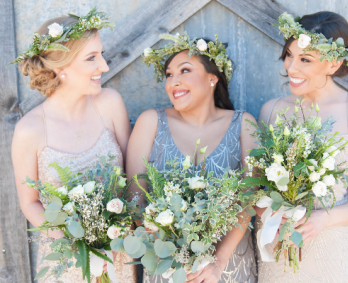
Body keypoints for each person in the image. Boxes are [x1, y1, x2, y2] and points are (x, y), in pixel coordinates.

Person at [255, 11, 348, 282]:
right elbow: (255, 187)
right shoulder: (271, 110)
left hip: (329, 244)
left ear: (334, 63)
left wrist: (324, 219)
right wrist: (272, 213)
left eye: (305, 59)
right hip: (278, 243)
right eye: (289, 55)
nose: (291, 67)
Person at [11, 9, 135, 282]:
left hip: (118, 253)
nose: (104, 66)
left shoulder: (110, 103)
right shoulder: (29, 131)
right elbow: (30, 203)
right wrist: (77, 246)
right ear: (60, 67)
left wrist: (121, 234)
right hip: (67, 261)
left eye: (100, 54)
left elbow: (133, 176)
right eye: (92, 58)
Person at [126, 33, 258, 283]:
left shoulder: (243, 124)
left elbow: (249, 202)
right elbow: (135, 200)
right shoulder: (151, 122)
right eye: (168, 75)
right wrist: (176, 257)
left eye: (184, 70)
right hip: (169, 267)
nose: (173, 81)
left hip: (229, 266)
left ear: (212, 78)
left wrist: (217, 262)